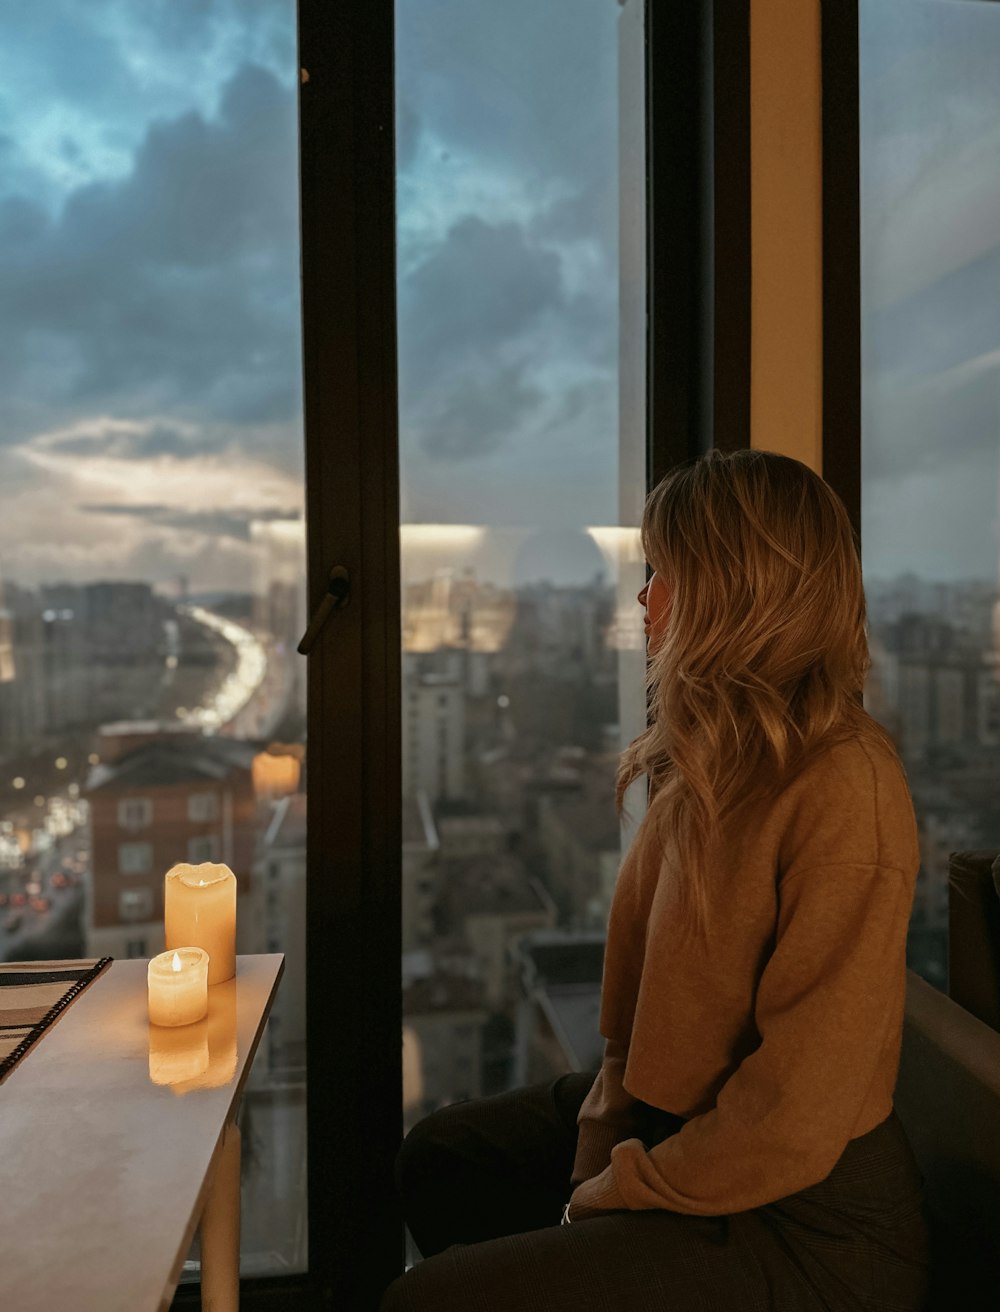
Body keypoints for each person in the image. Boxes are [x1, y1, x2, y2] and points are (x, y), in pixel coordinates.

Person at [380, 449, 930, 1311]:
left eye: (663, 572)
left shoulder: (846, 790)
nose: (643, 598)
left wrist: (608, 1195)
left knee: (428, 1303)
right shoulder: (708, 758)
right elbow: (637, 1023)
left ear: (733, 591)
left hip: (808, 1225)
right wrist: (601, 1148)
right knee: (441, 1157)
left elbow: (793, 1116)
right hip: (678, 1117)